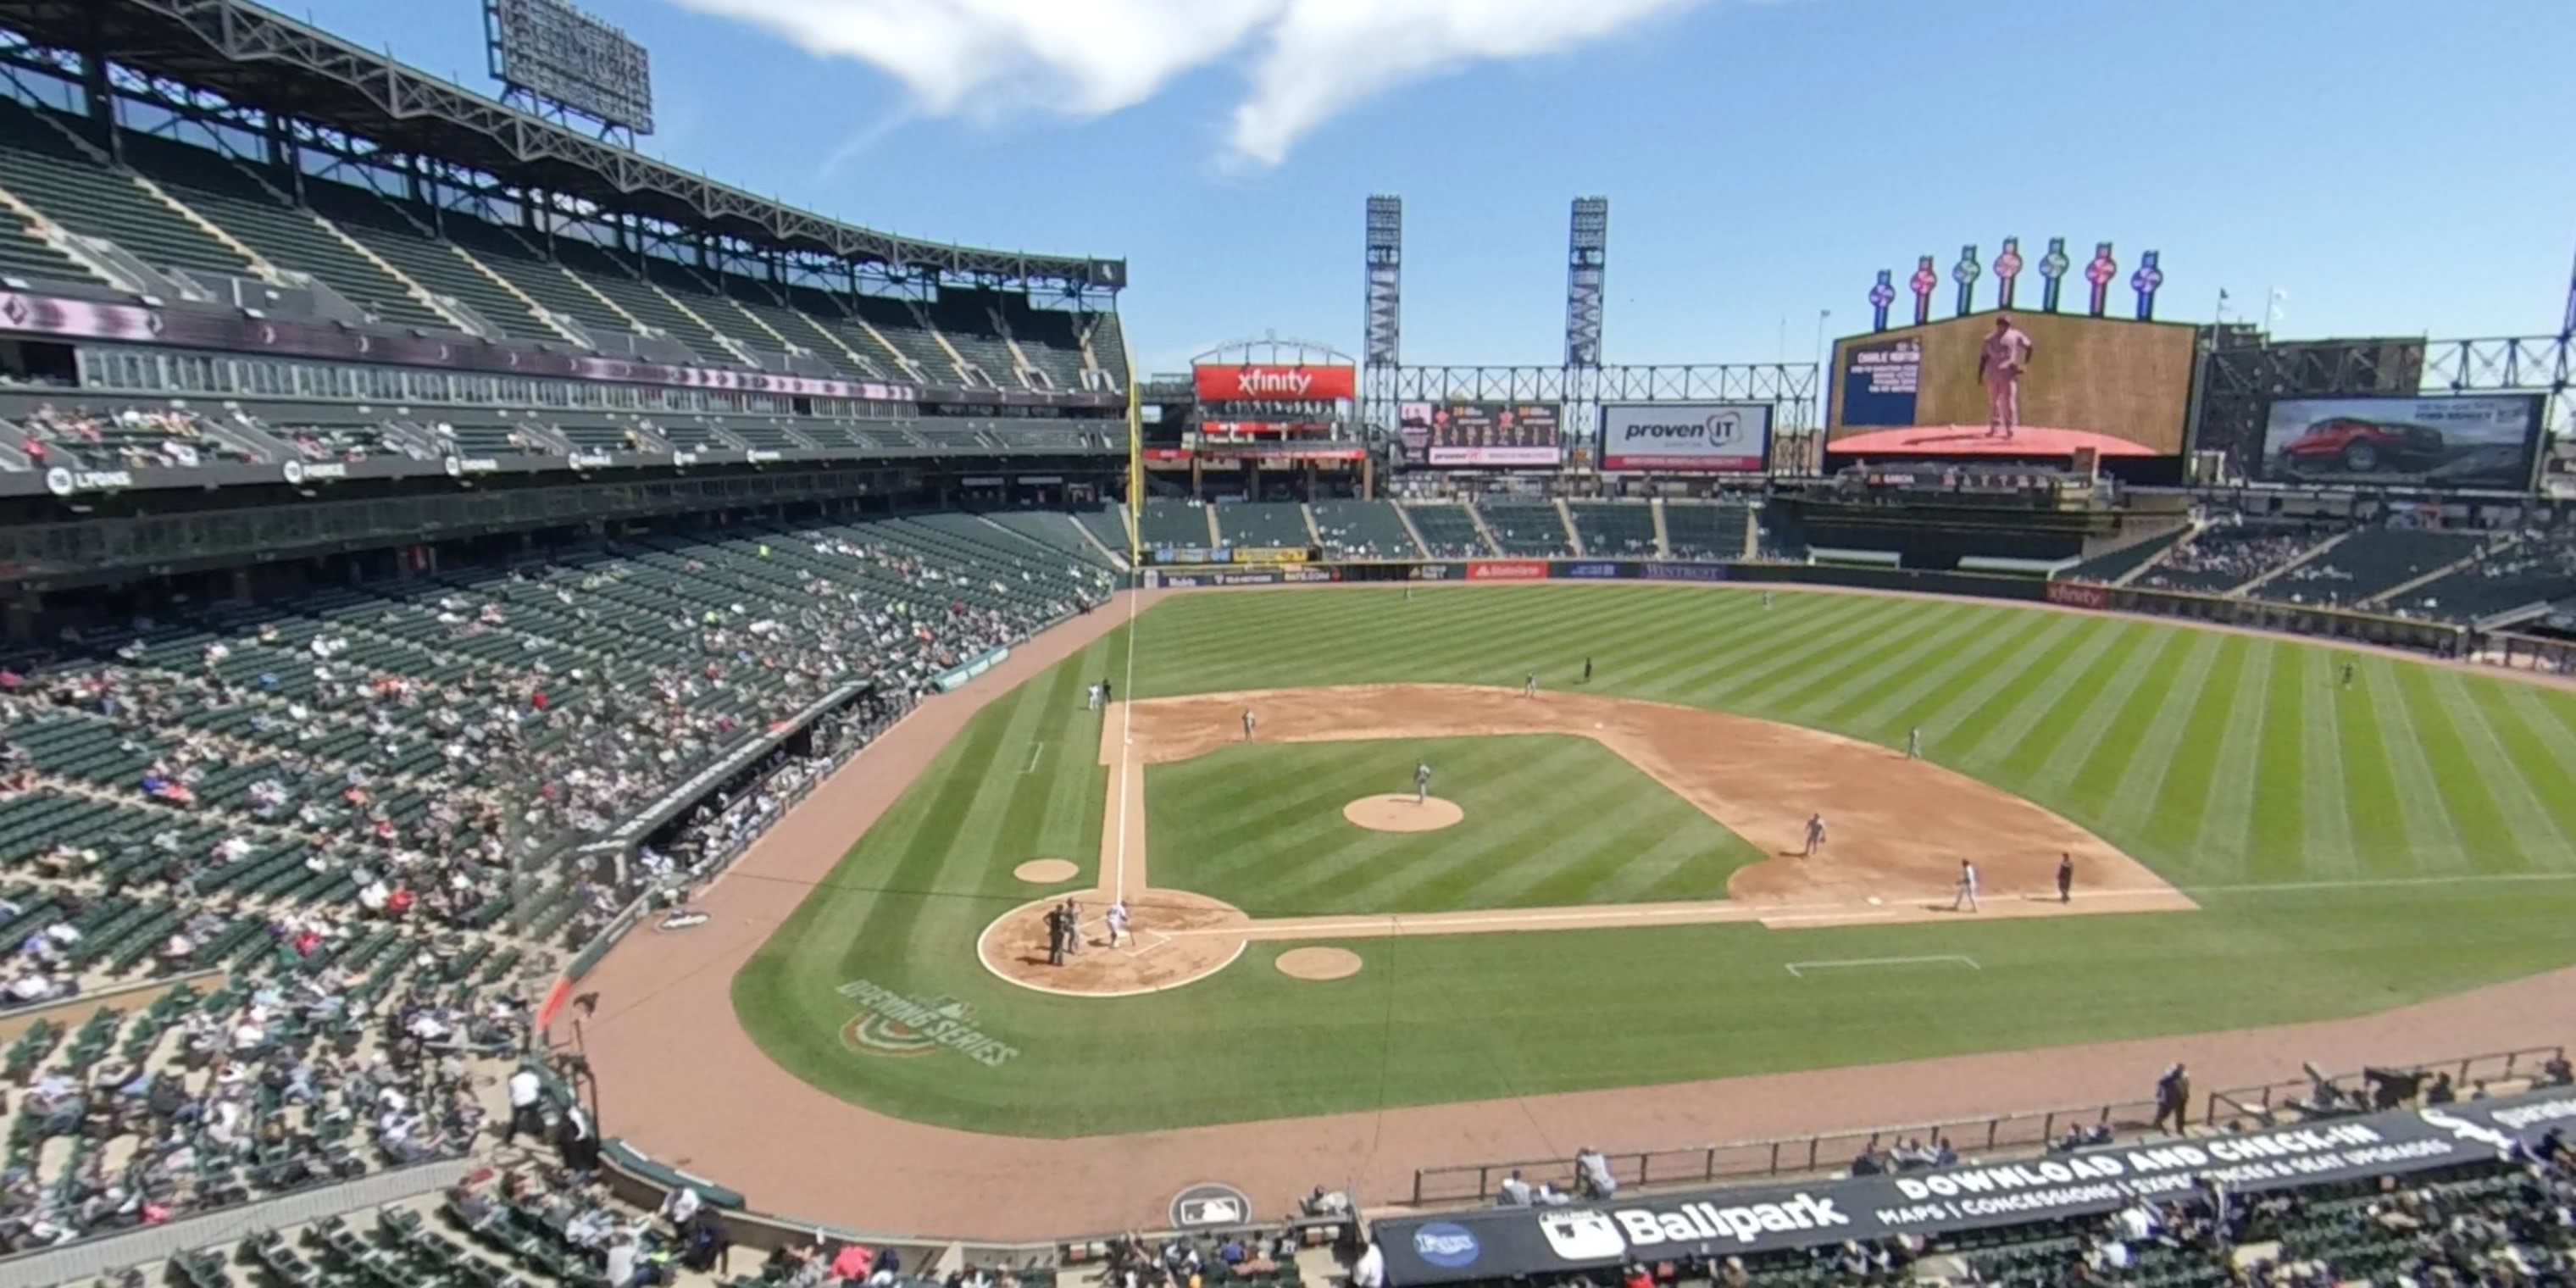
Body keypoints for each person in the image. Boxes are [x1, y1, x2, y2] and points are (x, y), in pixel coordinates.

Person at [1977, 314, 2035, 438]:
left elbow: (2029, 347)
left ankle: (2010, 428)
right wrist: (1980, 375)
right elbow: (1983, 358)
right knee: (1994, 402)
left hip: (2008, 375)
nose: (2004, 327)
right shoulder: (1989, 340)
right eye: (2002, 325)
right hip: (1993, 374)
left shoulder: (2016, 336)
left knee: (2008, 402)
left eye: (2006, 325)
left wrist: (2024, 364)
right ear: (1997, 325)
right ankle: (1995, 427)